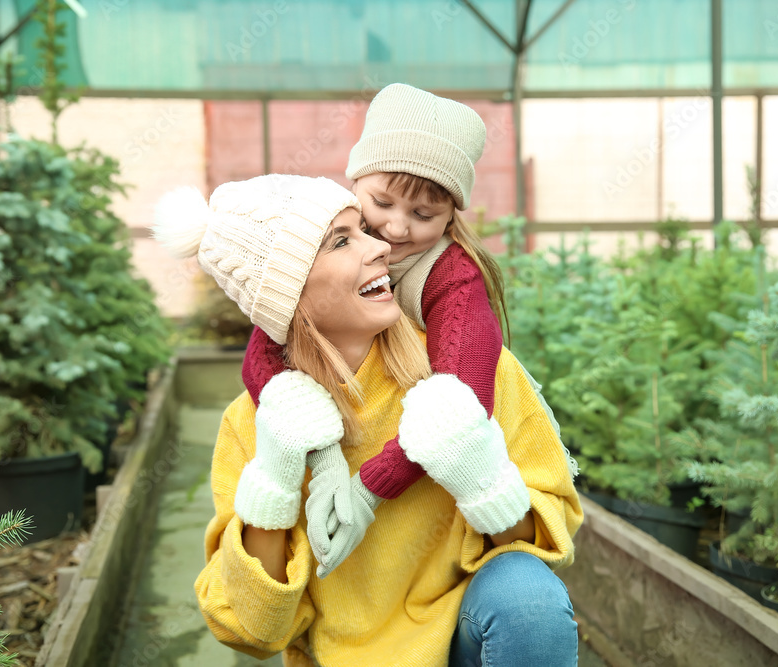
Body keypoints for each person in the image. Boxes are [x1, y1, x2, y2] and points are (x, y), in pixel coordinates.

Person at [153, 173, 582, 666]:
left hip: (463, 642)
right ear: (287, 293)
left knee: (527, 599)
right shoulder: (252, 421)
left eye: (362, 228)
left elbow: (550, 542)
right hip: (339, 656)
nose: (379, 245)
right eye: (341, 241)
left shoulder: (465, 379)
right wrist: (274, 479)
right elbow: (252, 631)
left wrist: (480, 476)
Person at [240, 84, 574, 576]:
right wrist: (322, 453)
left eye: (424, 215)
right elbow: (262, 350)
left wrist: (368, 488)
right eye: (382, 202)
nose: (395, 229)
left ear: (451, 215)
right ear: (354, 184)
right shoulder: (317, 239)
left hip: (429, 482)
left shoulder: (453, 276)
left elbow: (456, 410)